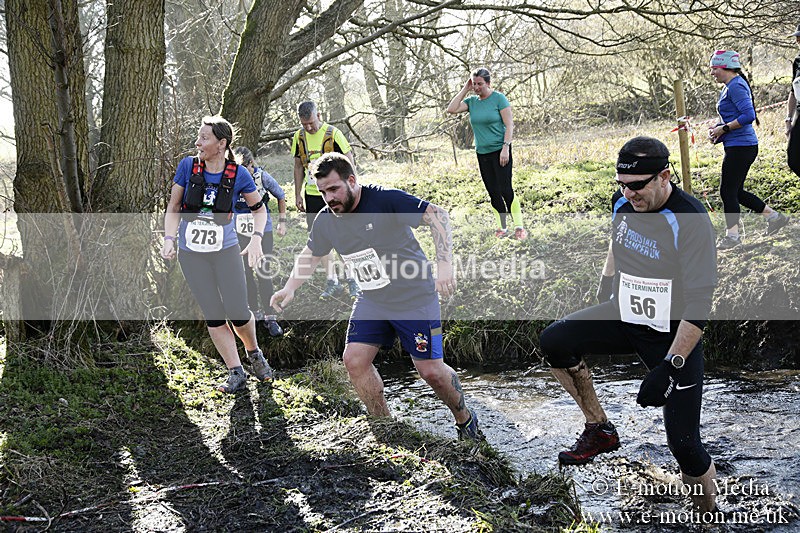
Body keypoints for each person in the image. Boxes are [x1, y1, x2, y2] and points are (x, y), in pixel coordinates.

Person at [539, 137, 718, 513]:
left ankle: (707, 518)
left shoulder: (689, 220)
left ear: (665, 176)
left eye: (637, 185)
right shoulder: (624, 201)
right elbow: (616, 240)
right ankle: (599, 428)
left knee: (685, 446)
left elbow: (700, 305)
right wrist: (607, 283)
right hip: (625, 315)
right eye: (621, 183)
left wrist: (670, 366)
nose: (628, 192)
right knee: (556, 341)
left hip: (671, 337)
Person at [271, 152, 483, 441]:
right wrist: (290, 287)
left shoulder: (384, 200)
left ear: (352, 180)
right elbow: (311, 254)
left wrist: (444, 264)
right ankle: (385, 425)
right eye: (322, 193)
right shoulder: (326, 219)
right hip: (372, 299)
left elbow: (437, 215)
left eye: (334, 189)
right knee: (354, 361)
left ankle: (465, 421)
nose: (328, 199)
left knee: (430, 371)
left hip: (414, 297)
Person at [161, 115, 273, 393]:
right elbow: (174, 206)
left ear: (221, 144)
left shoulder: (239, 173)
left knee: (237, 310)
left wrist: (257, 239)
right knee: (213, 313)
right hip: (192, 253)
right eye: (198, 137)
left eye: (204, 138)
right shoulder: (188, 166)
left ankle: (254, 353)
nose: (197, 142)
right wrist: (168, 239)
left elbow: (259, 210)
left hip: (225, 250)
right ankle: (235, 371)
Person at [707, 50, 788, 250]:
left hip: (742, 147)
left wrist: (723, 128)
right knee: (736, 191)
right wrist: (719, 131)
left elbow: (748, 116)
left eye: (714, 69)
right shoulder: (730, 86)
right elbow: (735, 116)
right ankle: (774, 218)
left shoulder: (736, 86)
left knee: (727, 191)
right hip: (738, 145)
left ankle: (732, 237)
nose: (712, 73)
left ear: (725, 67)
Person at [446, 67, 526, 240]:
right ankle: (502, 228)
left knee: (505, 189)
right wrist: (465, 89)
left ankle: (519, 226)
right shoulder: (472, 102)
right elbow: (451, 109)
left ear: (488, 83)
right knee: (493, 191)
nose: (477, 87)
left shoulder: (499, 99)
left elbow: (510, 124)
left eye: (480, 84)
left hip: (500, 151)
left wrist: (506, 147)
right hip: (482, 154)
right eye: (474, 84)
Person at [291, 101, 360, 299]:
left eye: (311, 123)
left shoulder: (333, 134)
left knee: (345, 234)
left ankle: (352, 277)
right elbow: (297, 166)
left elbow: (349, 162)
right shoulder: (299, 137)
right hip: (313, 195)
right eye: (304, 124)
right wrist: (298, 194)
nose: (309, 127)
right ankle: (332, 280)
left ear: (318, 115)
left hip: (337, 194)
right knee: (321, 239)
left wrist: (353, 190)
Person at [233, 146, 287, 337]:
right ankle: (254, 313)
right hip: (239, 231)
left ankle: (270, 316)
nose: (240, 172)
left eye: (243, 168)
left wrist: (282, 222)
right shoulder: (232, 177)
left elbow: (281, 195)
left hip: (263, 231)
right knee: (245, 273)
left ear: (250, 164)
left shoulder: (262, 177)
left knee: (264, 272)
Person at [785, 25, 800, 178]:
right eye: (797, 38)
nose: (798, 41)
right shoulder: (797, 61)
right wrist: (788, 118)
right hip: (799, 115)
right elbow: (793, 91)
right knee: (793, 158)